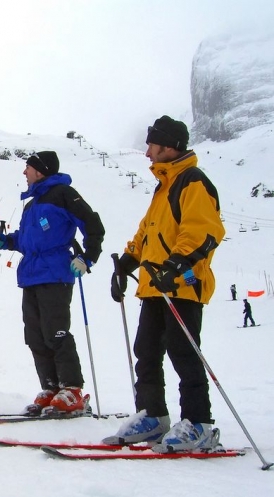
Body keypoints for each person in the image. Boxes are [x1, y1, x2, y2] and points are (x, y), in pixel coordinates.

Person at [107, 116, 225, 453]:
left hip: (183, 284)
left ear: (169, 146)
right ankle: (153, 416)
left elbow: (203, 230)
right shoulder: (165, 185)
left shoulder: (192, 181)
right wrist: (127, 262)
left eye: (152, 145)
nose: (147, 152)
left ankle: (198, 423)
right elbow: (147, 232)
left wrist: (178, 264)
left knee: (183, 351)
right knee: (145, 351)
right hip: (155, 286)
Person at [0, 151, 105, 413]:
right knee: (35, 335)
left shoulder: (63, 194)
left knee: (56, 331)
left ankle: (72, 389)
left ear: (40, 171)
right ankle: (52, 387)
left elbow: (92, 224)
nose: (24, 172)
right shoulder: (31, 205)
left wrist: (87, 258)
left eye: (28, 168)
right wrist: (7, 241)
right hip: (31, 276)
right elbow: (27, 241)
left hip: (56, 273)